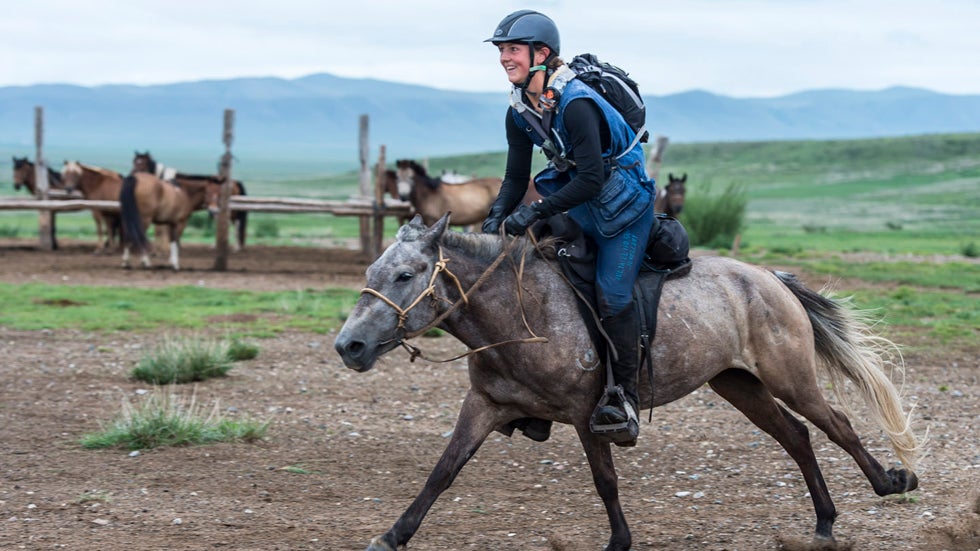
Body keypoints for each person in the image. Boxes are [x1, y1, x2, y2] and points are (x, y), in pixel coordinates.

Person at [482, 9, 658, 446]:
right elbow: (514, 176)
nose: (505, 58)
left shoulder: (577, 103)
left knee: (613, 297)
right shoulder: (519, 110)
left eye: (513, 50)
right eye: (502, 50)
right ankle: (535, 400)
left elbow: (592, 179)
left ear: (542, 54)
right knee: (535, 278)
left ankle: (625, 398)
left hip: (623, 209)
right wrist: (496, 217)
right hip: (579, 204)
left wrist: (535, 213)